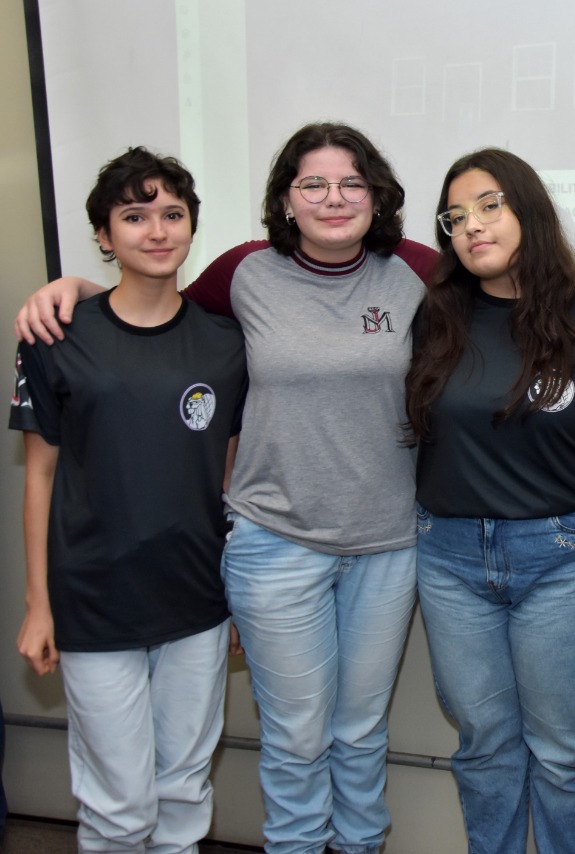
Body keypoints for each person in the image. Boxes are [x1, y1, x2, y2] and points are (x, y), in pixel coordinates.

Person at [15, 123, 438, 854]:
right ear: (285, 199)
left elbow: (508, 279)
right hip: (269, 547)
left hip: (382, 544)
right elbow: (146, 304)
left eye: (352, 183)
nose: (334, 198)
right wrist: (75, 288)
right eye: (313, 183)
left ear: (377, 196)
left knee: (356, 732)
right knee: (293, 737)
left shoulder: (415, 270)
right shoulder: (244, 272)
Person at [10, 147, 246, 851]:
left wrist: (238, 595)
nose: (157, 230)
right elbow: (38, 477)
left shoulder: (226, 343)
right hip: (94, 599)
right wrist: (38, 605)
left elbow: (229, 479)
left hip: (196, 599)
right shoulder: (56, 337)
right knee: (118, 805)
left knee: (184, 789)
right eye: (135, 216)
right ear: (104, 236)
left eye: (172, 214)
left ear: (192, 226)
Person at [404, 148, 575, 853]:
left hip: (564, 558)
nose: (473, 225)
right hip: (449, 559)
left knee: (564, 749)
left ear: (529, 209)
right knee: (484, 746)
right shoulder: (436, 314)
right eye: (455, 216)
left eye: (490, 205)